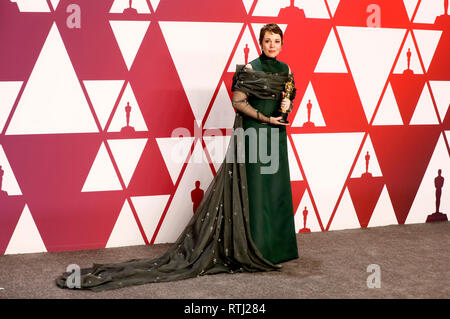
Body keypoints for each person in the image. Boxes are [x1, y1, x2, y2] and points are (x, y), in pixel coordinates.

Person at [55, 23, 298, 291]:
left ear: (282, 44)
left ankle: (276, 249)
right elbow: (238, 103)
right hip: (252, 134)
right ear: (260, 43)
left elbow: (286, 97)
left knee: (274, 189)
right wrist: (265, 117)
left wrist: (286, 106)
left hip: (276, 136)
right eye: (267, 41)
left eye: (276, 41)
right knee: (255, 190)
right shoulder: (250, 68)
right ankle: (256, 248)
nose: (272, 45)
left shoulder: (286, 70)